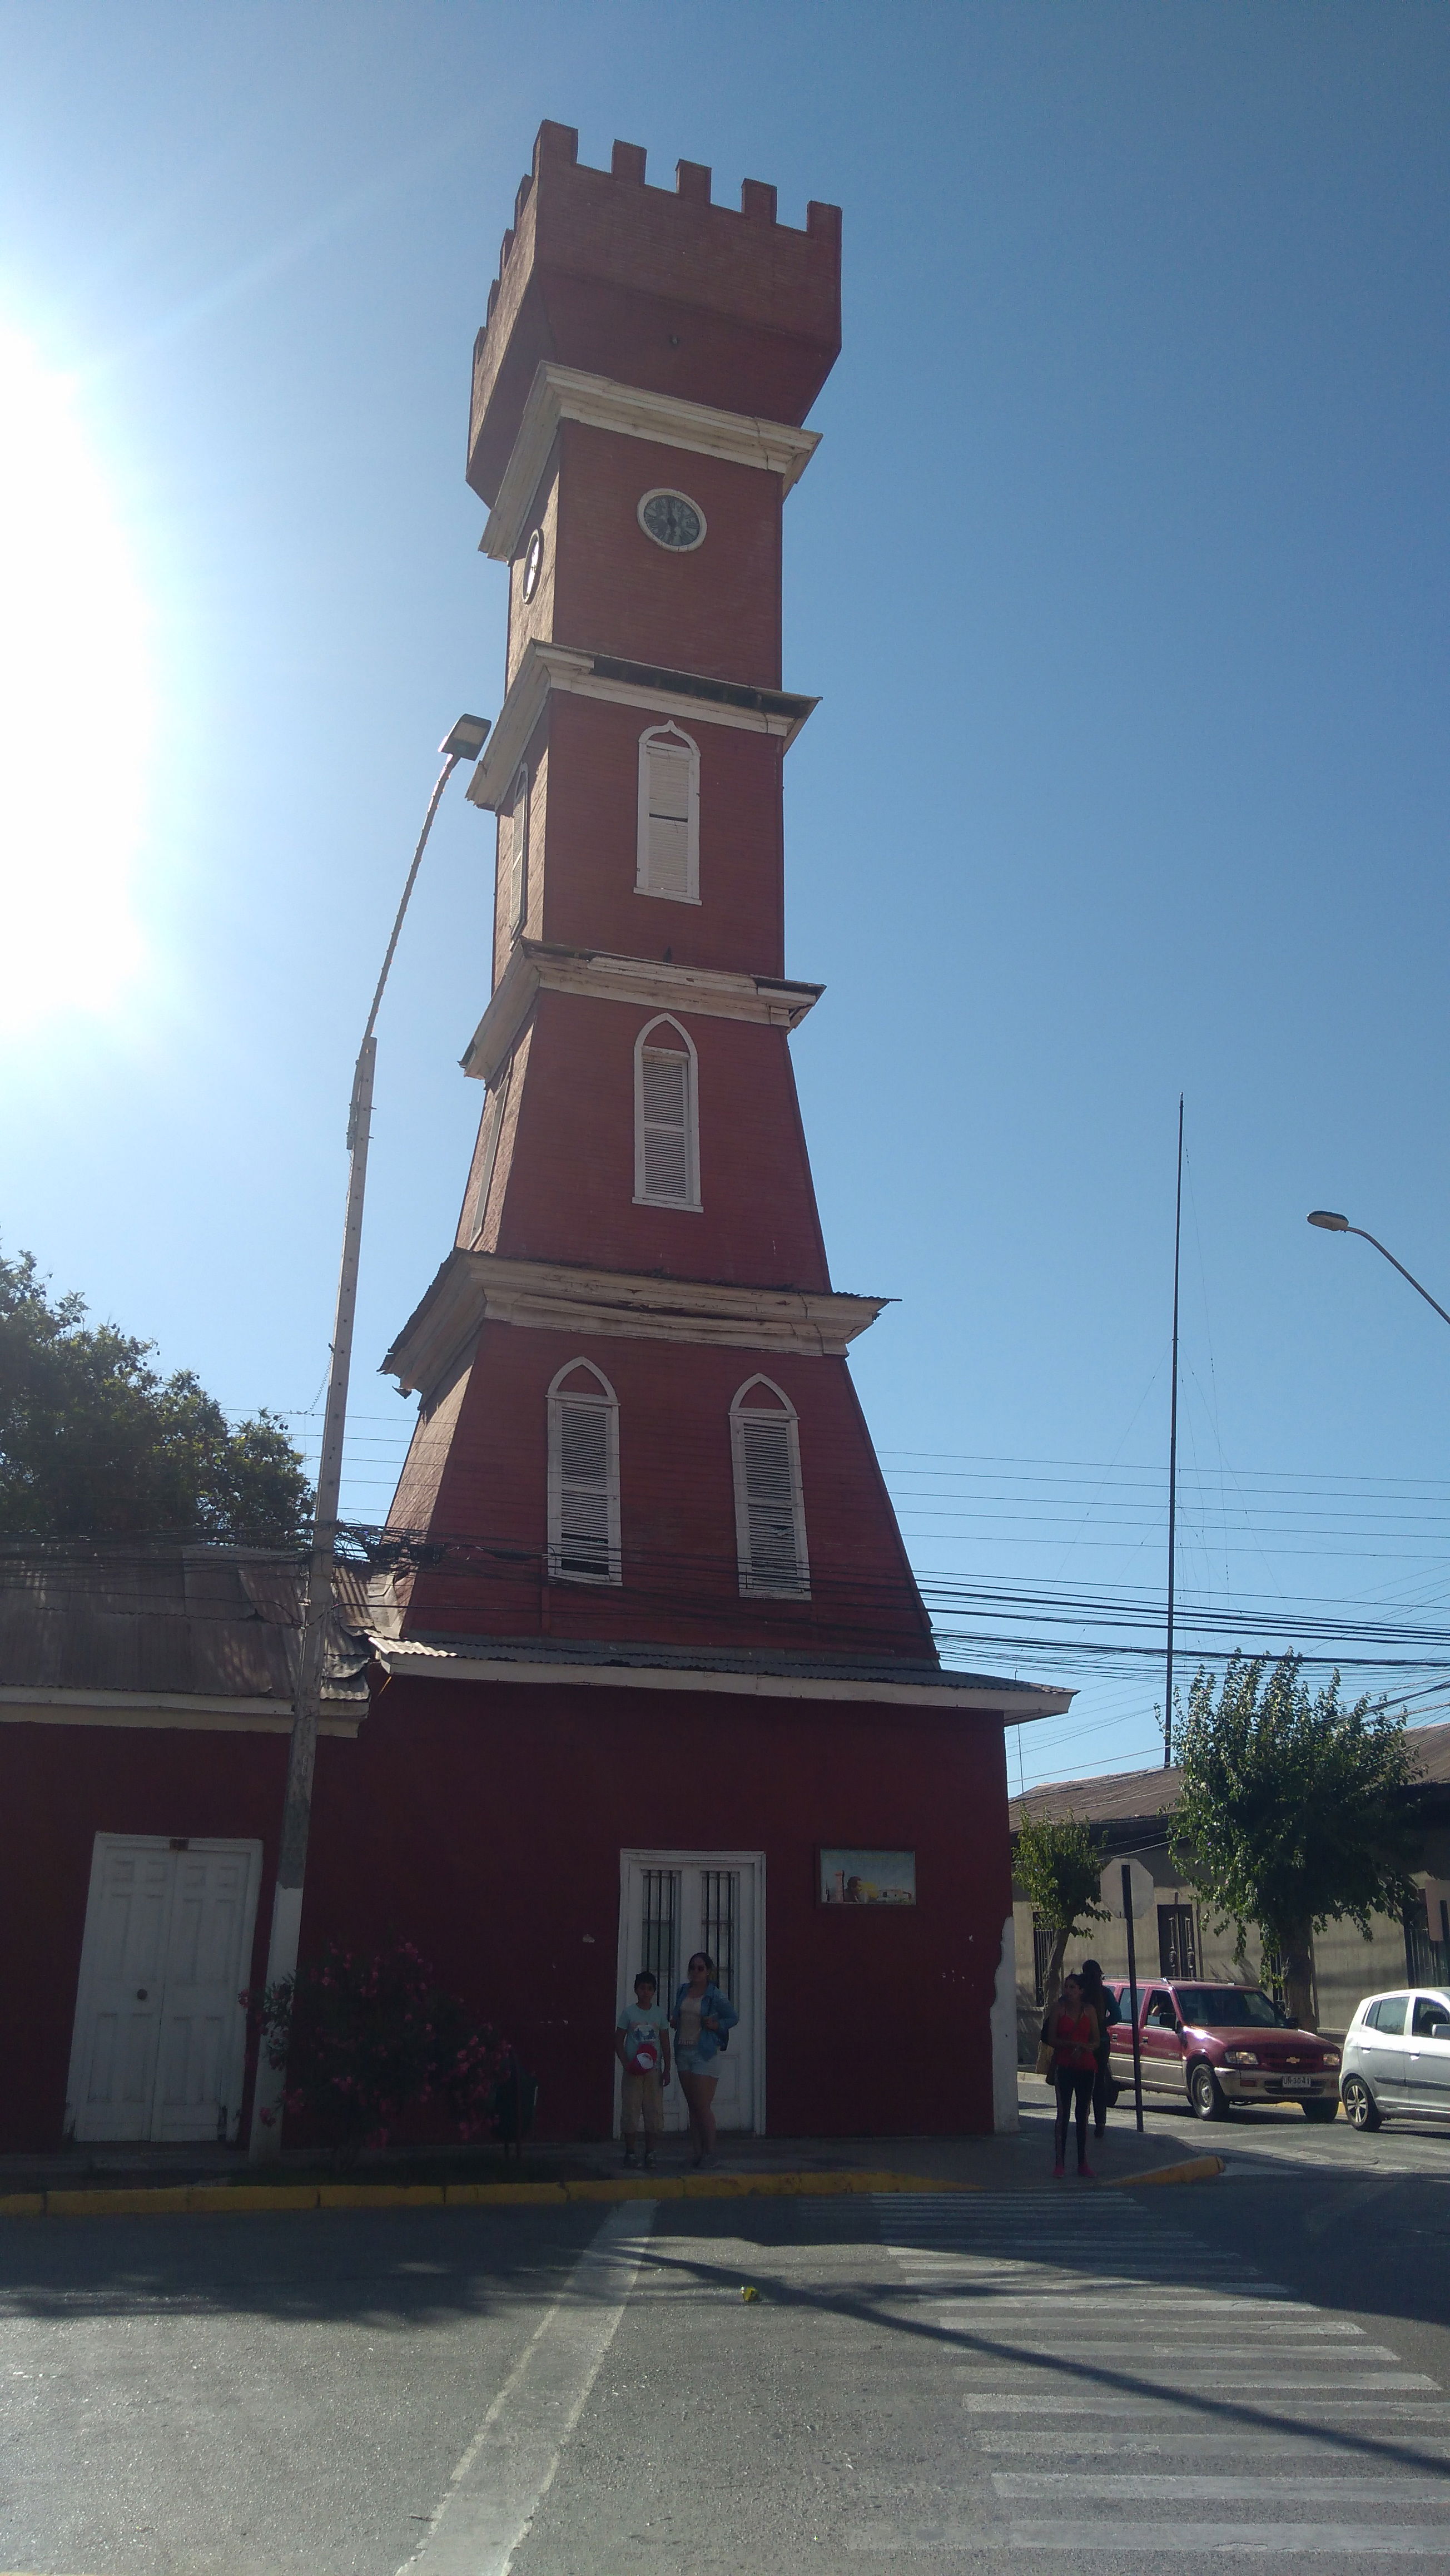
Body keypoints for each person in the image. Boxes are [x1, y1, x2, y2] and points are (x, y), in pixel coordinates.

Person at [671, 1950, 738, 2168]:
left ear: (708, 1971)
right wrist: (674, 2021)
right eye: (692, 1968)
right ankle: (697, 2153)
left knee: (702, 2105)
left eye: (700, 1968)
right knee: (692, 2105)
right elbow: (678, 2014)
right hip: (683, 2051)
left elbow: (732, 2017)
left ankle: (710, 2153)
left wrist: (718, 2025)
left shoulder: (715, 1995)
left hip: (704, 2053)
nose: (695, 1972)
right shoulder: (683, 1991)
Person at [1042, 1971, 1100, 2179]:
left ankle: (1083, 2162)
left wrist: (1084, 2048)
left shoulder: (1089, 2011)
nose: (1068, 1991)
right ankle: (1060, 2163)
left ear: (1082, 1991)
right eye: (1067, 1987)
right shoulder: (1059, 2009)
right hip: (1065, 2065)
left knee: (1083, 2115)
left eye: (1073, 1988)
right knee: (1063, 2114)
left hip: (1086, 2066)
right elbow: (1051, 2038)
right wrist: (1071, 2045)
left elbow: (1096, 2040)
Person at [615, 1969, 671, 2169]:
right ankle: (630, 2152)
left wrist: (667, 2069)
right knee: (631, 2110)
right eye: (642, 1988)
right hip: (633, 2071)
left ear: (654, 1991)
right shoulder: (629, 2013)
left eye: (649, 1989)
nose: (645, 1992)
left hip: (653, 2070)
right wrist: (625, 2063)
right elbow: (618, 2041)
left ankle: (651, 2152)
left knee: (653, 2111)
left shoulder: (658, 2014)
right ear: (636, 1990)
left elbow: (665, 2042)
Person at [1078, 1958, 1119, 2139]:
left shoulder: (1080, 1993)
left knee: (1082, 2082)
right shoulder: (1105, 1993)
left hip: (1082, 2041)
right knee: (1099, 2083)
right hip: (1102, 2041)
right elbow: (1117, 2015)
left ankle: (1083, 2119)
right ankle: (1100, 2123)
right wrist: (1102, 2024)